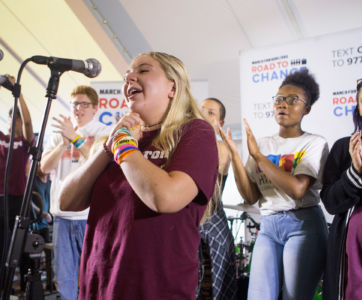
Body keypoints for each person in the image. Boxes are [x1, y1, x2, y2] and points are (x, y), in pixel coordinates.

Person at [58, 52, 219, 299]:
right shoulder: (115, 142)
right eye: (127, 75)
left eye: (143, 71)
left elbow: (165, 198)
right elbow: (67, 202)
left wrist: (122, 145)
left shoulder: (195, 131)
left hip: (154, 288)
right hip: (99, 285)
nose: (130, 77)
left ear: (172, 88)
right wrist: (107, 146)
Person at [220, 69, 329, 300]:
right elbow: (250, 196)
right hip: (268, 226)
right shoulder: (262, 144)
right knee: (258, 296)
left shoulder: (314, 143)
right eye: (279, 99)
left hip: (303, 225)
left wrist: (259, 158)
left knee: (295, 296)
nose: (283, 105)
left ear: (306, 109)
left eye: (292, 100)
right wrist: (236, 156)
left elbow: (298, 188)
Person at [40, 85, 109, 300]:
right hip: (62, 216)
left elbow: (101, 163)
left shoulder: (103, 132)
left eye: (83, 104)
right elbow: (43, 168)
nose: (78, 109)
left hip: (91, 217)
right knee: (64, 278)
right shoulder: (59, 134)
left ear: (95, 108)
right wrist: (63, 142)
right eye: (74, 104)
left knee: (94, 274)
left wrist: (76, 139)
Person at [0, 74, 34, 285]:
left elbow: (30, 121)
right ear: (9, 120)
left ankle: (23, 284)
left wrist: (18, 93)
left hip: (17, 198)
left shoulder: (26, 142)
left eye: (19, 118)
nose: (17, 121)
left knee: (19, 243)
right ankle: (2, 285)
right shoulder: (0, 138)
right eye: (13, 117)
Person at [320, 76, 362, 300]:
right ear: (358, 108)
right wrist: (356, 174)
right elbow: (330, 202)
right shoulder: (343, 148)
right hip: (352, 258)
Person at [197, 97, 237, 299]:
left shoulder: (221, 147)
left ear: (220, 123)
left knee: (215, 289)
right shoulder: (183, 142)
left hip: (213, 226)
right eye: (201, 109)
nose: (203, 114)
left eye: (211, 113)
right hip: (187, 226)